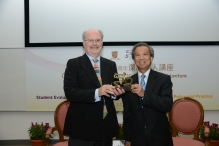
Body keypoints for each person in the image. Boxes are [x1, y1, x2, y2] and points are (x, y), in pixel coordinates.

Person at [63, 29, 125, 146]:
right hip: (82, 128)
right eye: (90, 40)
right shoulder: (74, 64)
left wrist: (116, 93)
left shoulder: (111, 64)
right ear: (84, 43)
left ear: (102, 43)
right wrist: (98, 92)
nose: (94, 44)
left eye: (98, 40)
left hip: (106, 127)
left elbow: (114, 89)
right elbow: (70, 92)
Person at [122, 42, 173, 146]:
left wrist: (144, 94)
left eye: (145, 54)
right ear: (133, 59)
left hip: (159, 137)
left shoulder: (163, 79)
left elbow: (167, 105)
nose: (141, 58)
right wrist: (127, 138)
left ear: (151, 57)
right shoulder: (128, 82)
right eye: (137, 55)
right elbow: (127, 113)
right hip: (137, 138)